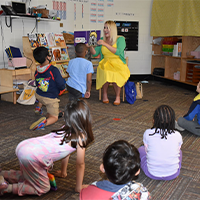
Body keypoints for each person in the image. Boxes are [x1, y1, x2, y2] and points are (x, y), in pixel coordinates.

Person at [0, 100, 94, 196]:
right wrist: (79, 187)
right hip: (31, 155)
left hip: (25, 146)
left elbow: (67, 153)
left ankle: (3, 174)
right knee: (43, 188)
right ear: (86, 117)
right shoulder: (81, 137)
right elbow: (80, 164)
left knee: (30, 174)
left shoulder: (66, 127)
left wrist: (63, 172)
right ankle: (7, 188)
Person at [80, 140, 151, 200]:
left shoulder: (85, 193)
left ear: (102, 168)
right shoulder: (141, 193)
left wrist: (90, 188)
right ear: (137, 172)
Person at [88, 20, 130, 106]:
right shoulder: (102, 40)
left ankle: (117, 96)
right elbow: (95, 53)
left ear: (113, 29)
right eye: (104, 27)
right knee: (106, 72)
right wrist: (91, 46)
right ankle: (104, 95)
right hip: (106, 62)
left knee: (116, 73)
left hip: (118, 62)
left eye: (107, 28)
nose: (105, 30)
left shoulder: (120, 39)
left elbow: (118, 52)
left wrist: (105, 44)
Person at [138, 105, 183, 181]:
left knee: (140, 149)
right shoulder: (177, 135)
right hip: (173, 174)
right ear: (173, 121)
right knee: (180, 152)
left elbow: (146, 151)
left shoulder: (148, 133)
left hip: (151, 173)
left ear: (154, 120)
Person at [29, 46, 66, 131]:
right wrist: (62, 89)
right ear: (48, 57)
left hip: (39, 95)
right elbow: (60, 83)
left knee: (44, 90)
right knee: (54, 117)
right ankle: (43, 123)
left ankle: (39, 107)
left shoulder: (37, 70)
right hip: (50, 98)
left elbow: (38, 83)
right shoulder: (53, 70)